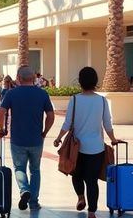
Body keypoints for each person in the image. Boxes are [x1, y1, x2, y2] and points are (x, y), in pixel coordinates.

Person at [52, 67, 119, 218]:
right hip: (96, 148)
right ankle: (92, 212)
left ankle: (81, 196)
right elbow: (107, 124)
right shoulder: (102, 101)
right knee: (92, 181)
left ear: (80, 81)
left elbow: (67, 123)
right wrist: (113, 139)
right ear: (95, 81)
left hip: (77, 148)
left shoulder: (75, 100)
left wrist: (58, 138)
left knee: (76, 174)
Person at [0, 65, 55, 212]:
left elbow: (1, 111)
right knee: (35, 170)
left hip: (18, 139)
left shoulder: (11, 93)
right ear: (34, 78)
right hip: (36, 139)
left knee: (19, 168)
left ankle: (24, 190)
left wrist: (1, 128)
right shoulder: (42, 94)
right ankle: (34, 203)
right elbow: (51, 115)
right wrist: (45, 132)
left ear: (19, 78)